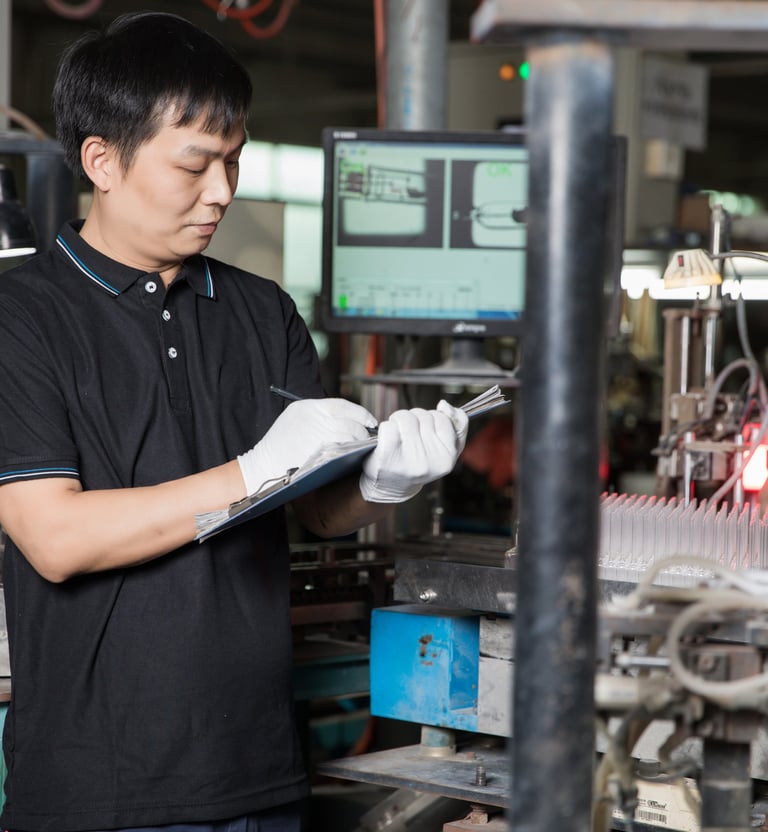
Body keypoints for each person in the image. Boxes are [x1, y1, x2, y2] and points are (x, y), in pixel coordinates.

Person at [0, 12, 468, 832]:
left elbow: (317, 512)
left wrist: (382, 483)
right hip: (100, 787)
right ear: (101, 161)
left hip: (259, 770)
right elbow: (56, 537)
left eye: (234, 160)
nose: (221, 191)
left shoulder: (262, 312)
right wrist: (253, 472)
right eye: (194, 164)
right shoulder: (22, 316)